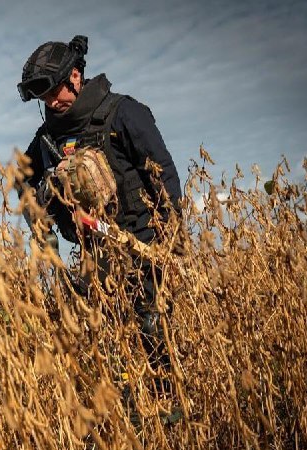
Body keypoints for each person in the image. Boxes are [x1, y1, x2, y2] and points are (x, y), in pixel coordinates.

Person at [16, 35, 182, 389]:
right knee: (113, 352)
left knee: (154, 336)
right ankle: (132, 421)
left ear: (75, 76)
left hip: (145, 249)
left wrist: (172, 241)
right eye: (42, 96)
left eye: (54, 90)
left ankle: (171, 413)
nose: (50, 101)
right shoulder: (46, 139)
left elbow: (164, 175)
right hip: (97, 262)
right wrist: (47, 234)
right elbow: (22, 181)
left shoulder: (123, 113)